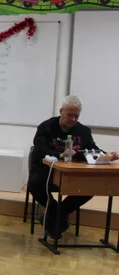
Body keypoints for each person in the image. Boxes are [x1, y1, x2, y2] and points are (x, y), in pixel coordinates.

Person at [28, 95, 119, 239]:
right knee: (34, 184)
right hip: (47, 171)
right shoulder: (46, 127)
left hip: (72, 174)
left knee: (90, 188)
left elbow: (93, 149)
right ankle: (57, 215)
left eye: (76, 116)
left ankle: (52, 217)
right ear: (61, 111)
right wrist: (60, 154)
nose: (73, 119)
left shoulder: (83, 131)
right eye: (70, 115)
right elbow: (39, 150)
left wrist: (107, 155)